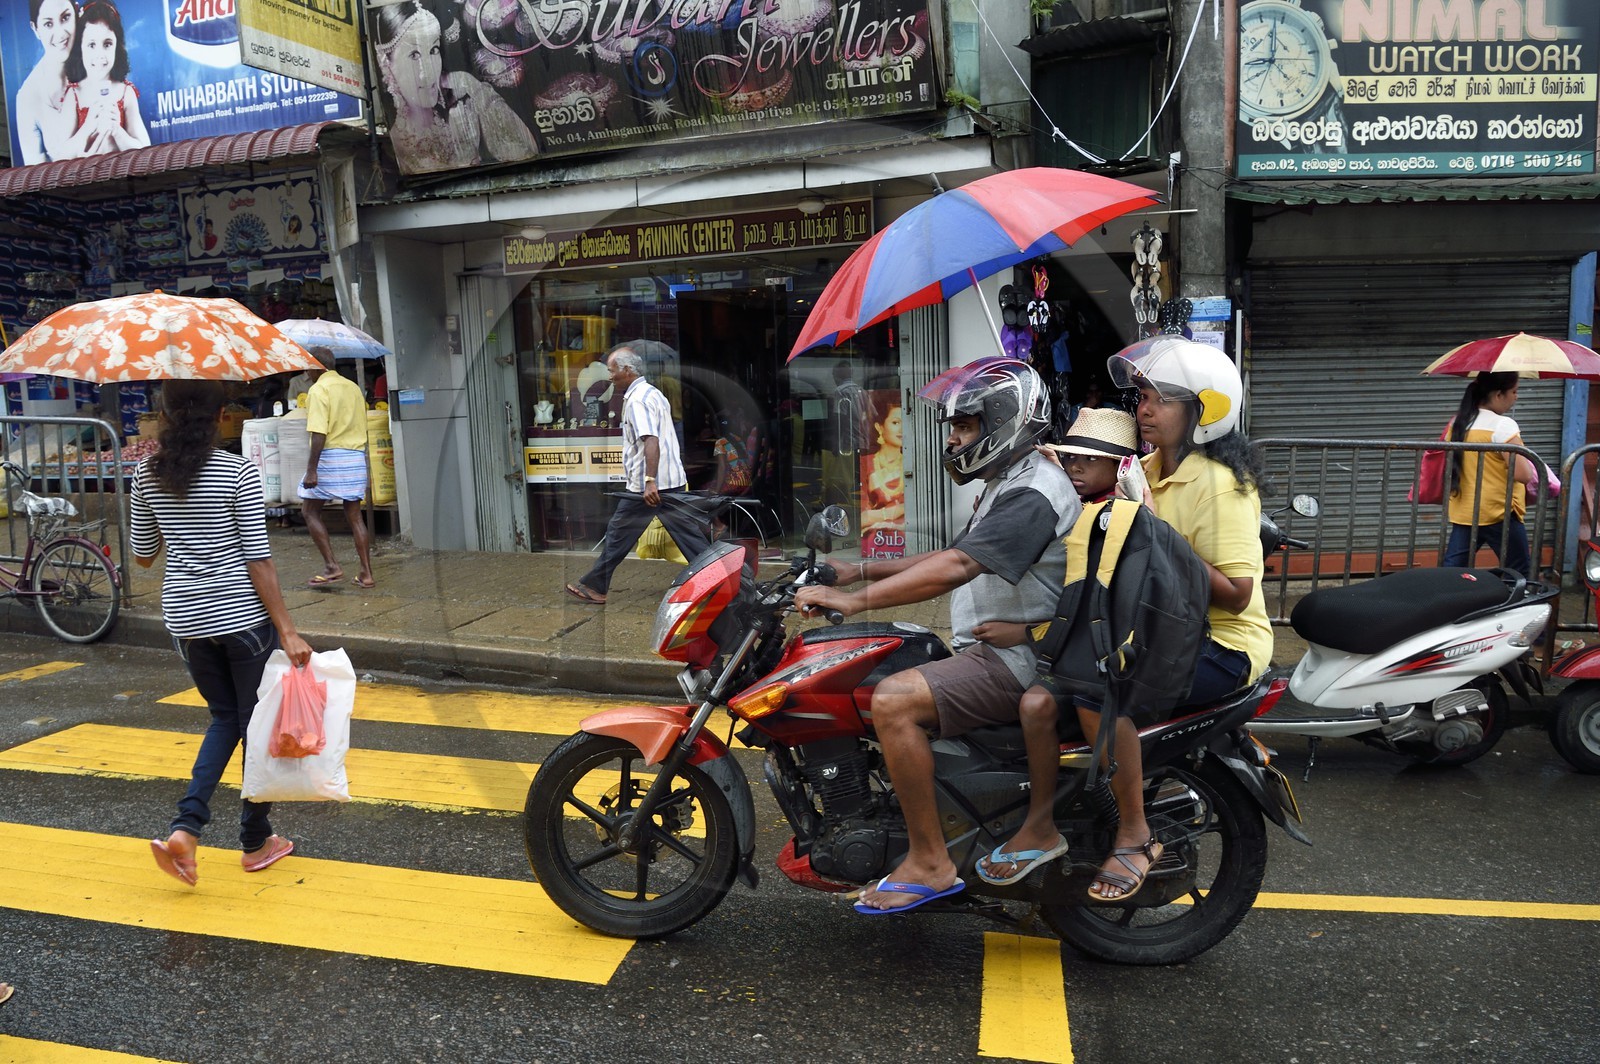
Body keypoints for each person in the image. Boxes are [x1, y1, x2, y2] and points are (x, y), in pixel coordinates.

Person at [795, 357, 1079, 914]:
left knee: (892, 703)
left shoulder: (1036, 492)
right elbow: (950, 554)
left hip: (1016, 659)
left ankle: (930, 860)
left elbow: (956, 568)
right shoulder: (1009, 483)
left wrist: (852, 602)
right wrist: (859, 570)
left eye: (965, 426)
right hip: (991, 648)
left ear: (1005, 423)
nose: (954, 439)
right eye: (954, 427)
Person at [1076, 337, 1272, 901]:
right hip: (1162, 630)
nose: (1144, 409)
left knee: (1095, 691)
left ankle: (1135, 834)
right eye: (1141, 396)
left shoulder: (1220, 484)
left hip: (1223, 644)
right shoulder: (1142, 470)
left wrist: (1158, 533)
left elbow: (1236, 594)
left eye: (1161, 398)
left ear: (1204, 411)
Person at [132, 380, 313, 887]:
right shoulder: (235, 470)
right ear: (218, 417)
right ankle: (255, 841)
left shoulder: (145, 474)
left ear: (164, 416)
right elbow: (258, 559)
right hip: (241, 620)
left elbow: (143, 554)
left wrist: (180, 524)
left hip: (187, 622)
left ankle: (188, 830)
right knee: (257, 726)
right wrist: (289, 629)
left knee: (224, 720)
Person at [974, 407, 1139, 886]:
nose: (1077, 468)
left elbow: (1093, 606)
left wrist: (1024, 634)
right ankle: (1039, 819)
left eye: (1090, 460)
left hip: (1106, 652)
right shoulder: (1081, 508)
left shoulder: (1119, 520)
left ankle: (1117, 825)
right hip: (1074, 648)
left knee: (1045, 702)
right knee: (1034, 705)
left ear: (1122, 467)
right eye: (1070, 459)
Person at [565, 346, 712, 605]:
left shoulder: (637, 400)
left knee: (619, 532)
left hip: (650, 486)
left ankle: (595, 585)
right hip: (668, 482)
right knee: (688, 537)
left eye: (612, 370)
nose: (609, 376)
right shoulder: (653, 393)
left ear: (627, 370)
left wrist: (649, 481)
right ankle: (724, 580)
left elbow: (650, 440)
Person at [372, 1, 538, 175]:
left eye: (434, 50)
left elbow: (527, 152)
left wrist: (474, 87)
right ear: (386, 64)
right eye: (414, 55)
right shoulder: (395, 144)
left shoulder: (465, 104)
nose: (429, 70)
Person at [1441, 371, 1538, 577]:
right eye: (1514, 391)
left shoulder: (1457, 423)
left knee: (1452, 571)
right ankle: (1516, 607)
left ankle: (1447, 604)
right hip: (1499, 511)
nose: (1516, 397)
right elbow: (1524, 474)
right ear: (1498, 395)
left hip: (1466, 510)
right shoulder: (1503, 425)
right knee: (1518, 572)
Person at [298, 347, 375, 589]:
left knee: (309, 510)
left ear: (316, 366)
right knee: (354, 516)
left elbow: (319, 432)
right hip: (355, 456)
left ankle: (332, 566)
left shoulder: (319, 389)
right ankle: (366, 573)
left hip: (331, 456)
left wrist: (312, 469)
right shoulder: (352, 387)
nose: (305, 372)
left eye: (307, 366)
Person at [60, 0, 149, 158]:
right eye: (91, 45)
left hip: (123, 179)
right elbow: (61, 156)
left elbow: (144, 150)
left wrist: (117, 130)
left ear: (117, 46)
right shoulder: (74, 95)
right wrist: (88, 127)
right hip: (85, 180)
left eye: (107, 44)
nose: (100, 55)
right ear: (80, 48)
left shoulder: (125, 92)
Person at [15, 0, 79, 165]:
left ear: (76, 11)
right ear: (35, 29)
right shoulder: (27, 97)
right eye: (48, 24)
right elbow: (34, 171)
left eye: (65, 17)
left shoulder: (99, 60)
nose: (60, 33)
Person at [859, 395, 905, 537]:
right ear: (880, 427)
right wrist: (896, 511)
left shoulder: (913, 462)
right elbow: (860, 518)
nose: (902, 429)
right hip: (876, 538)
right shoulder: (865, 463)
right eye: (896, 422)